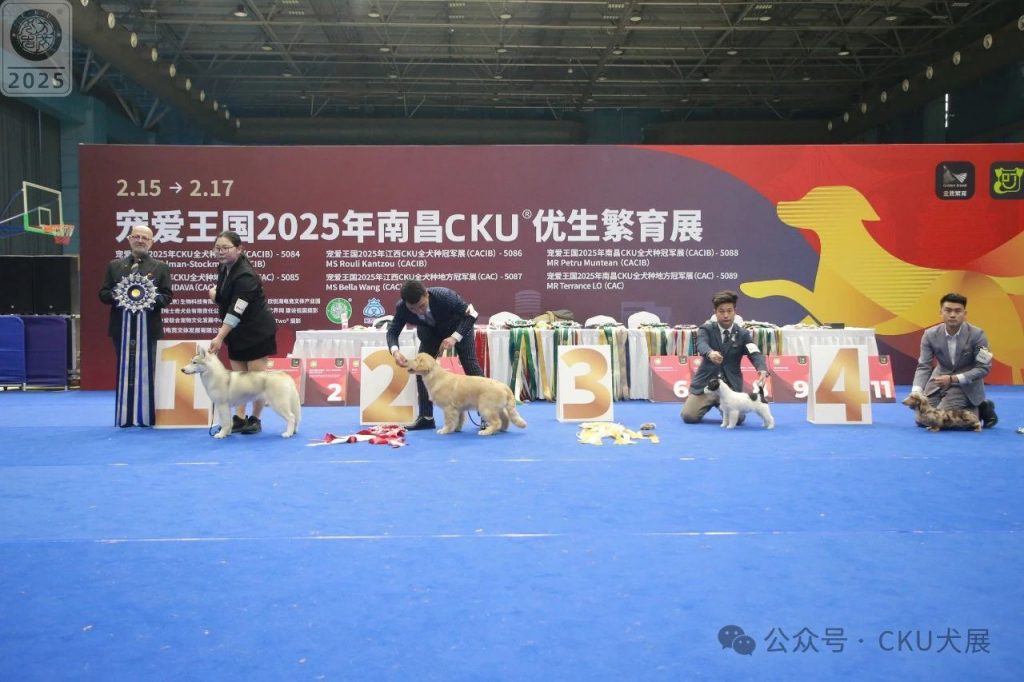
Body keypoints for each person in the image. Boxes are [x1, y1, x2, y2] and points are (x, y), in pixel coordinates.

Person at [99, 224, 174, 426]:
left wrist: (147, 299)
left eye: (145, 238)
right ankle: (125, 416)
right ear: (129, 239)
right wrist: (119, 296)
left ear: (152, 242)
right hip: (120, 329)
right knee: (126, 370)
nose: (140, 240)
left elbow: (167, 297)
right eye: (136, 236)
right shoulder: (114, 265)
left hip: (150, 329)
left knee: (149, 372)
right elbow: (103, 294)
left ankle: (148, 416)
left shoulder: (160, 267)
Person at [386, 279, 484, 430]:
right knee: (420, 370)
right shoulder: (402, 308)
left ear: (427, 295)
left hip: (458, 329)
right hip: (430, 336)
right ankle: (426, 417)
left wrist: (454, 337)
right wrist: (395, 351)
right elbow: (392, 331)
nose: (418, 311)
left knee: (471, 365)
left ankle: (485, 416)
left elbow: (472, 315)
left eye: (422, 306)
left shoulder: (445, 296)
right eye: (412, 309)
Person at [207, 230, 278, 434]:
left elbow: (236, 309)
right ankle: (239, 418)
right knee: (239, 379)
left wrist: (219, 337)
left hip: (256, 331)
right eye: (217, 248)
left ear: (239, 249)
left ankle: (255, 418)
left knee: (256, 379)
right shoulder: (224, 267)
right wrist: (216, 295)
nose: (221, 252)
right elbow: (227, 298)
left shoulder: (246, 275)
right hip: (237, 332)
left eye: (226, 248)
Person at [682, 290, 768, 424]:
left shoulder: (743, 334)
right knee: (689, 417)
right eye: (721, 311)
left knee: (738, 420)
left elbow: (754, 353)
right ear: (715, 312)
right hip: (706, 385)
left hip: (730, 388)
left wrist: (762, 369)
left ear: (735, 311)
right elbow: (701, 344)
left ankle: (725, 410)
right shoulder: (706, 329)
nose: (726, 315)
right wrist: (710, 353)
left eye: (729, 311)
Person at [911, 292, 997, 428]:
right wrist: (917, 390)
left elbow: (983, 368)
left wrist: (953, 379)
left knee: (941, 421)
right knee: (923, 420)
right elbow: (924, 366)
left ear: (965, 313)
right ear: (941, 312)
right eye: (948, 310)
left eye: (957, 311)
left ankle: (981, 408)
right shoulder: (929, 335)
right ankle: (978, 405)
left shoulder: (978, 335)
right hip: (938, 382)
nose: (952, 315)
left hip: (966, 383)